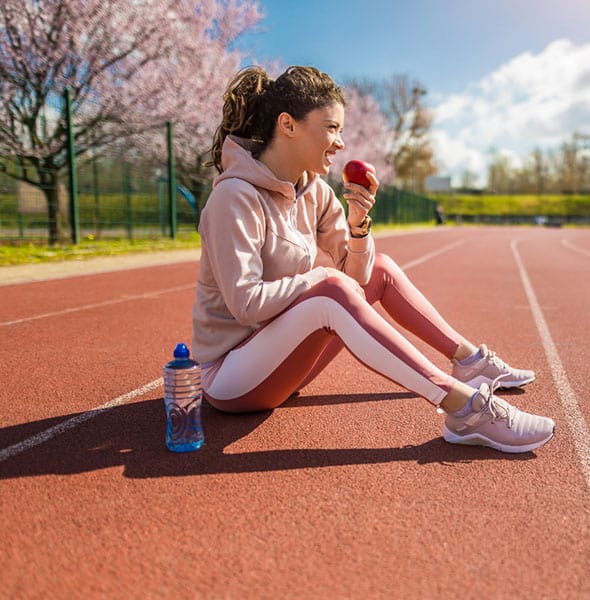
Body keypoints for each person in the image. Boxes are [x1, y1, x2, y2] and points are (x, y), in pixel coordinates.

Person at [191, 66, 555, 453]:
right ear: (288, 125)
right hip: (233, 380)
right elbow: (246, 304)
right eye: (332, 128)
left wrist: (358, 228)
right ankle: (465, 408)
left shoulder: (314, 192)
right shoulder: (234, 197)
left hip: (287, 364)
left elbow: (360, 278)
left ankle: (470, 361)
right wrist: (318, 281)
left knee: (377, 270)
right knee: (329, 287)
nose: (341, 143)